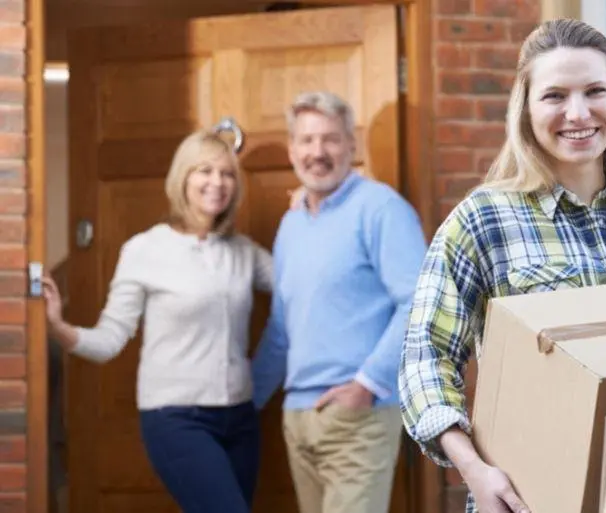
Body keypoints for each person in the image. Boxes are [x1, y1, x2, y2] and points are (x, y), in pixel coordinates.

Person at [398, 18, 606, 513]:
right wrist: (474, 470)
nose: (578, 113)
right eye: (555, 96)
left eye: (594, 91)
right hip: (530, 498)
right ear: (526, 108)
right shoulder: (482, 221)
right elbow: (425, 360)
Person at [41, 129, 272, 513]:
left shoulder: (244, 252)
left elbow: (301, 289)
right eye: (205, 171)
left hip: (241, 419)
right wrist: (58, 328)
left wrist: (307, 213)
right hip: (177, 419)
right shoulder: (145, 250)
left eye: (227, 173)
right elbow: (111, 338)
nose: (218, 182)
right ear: (183, 178)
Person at [251, 90, 427, 513]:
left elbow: (418, 303)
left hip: (358, 417)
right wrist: (246, 402)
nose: (318, 152)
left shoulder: (381, 208)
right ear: (292, 150)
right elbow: (281, 327)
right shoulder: (291, 225)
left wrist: (367, 385)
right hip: (297, 417)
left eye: (330, 139)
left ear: (352, 145)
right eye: (307, 141)